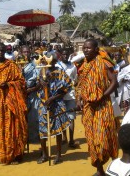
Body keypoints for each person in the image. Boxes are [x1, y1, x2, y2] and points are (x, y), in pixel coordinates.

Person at [77, 39, 118, 176]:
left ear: (96, 49)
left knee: (104, 137)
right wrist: (79, 98)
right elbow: (80, 84)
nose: (85, 50)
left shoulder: (104, 63)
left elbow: (114, 83)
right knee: (91, 139)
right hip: (89, 107)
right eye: (84, 48)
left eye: (88, 48)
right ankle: (100, 171)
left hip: (103, 105)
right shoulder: (83, 66)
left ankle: (115, 167)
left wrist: (102, 96)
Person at [0, 43, 27, 165]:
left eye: (2, 51)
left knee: (11, 125)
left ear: (5, 51)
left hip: (10, 100)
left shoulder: (11, 65)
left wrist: (9, 84)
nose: (0, 53)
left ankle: (13, 155)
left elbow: (20, 81)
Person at [37, 52, 72, 165]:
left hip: (56, 103)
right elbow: (37, 87)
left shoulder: (60, 73)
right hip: (43, 104)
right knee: (42, 131)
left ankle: (58, 155)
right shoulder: (41, 71)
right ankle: (44, 155)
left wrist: (52, 99)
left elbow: (66, 89)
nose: (48, 62)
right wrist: (41, 83)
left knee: (57, 131)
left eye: (51, 60)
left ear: (55, 61)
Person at [56, 48, 78, 148]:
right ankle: (64, 137)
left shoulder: (73, 66)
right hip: (60, 96)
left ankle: (71, 140)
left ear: (68, 55)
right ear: (61, 55)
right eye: (63, 54)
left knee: (71, 118)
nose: (65, 56)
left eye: (66, 54)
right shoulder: (57, 66)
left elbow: (75, 79)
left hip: (71, 95)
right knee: (62, 117)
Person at [21, 45, 41, 143]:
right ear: (21, 53)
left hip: (32, 94)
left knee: (33, 118)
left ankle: (34, 139)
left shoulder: (35, 65)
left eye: (28, 52)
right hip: (20, 95)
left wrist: (32, 89)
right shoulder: (17, 65)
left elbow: (39, 81)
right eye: (24, 52)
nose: (26, 54)